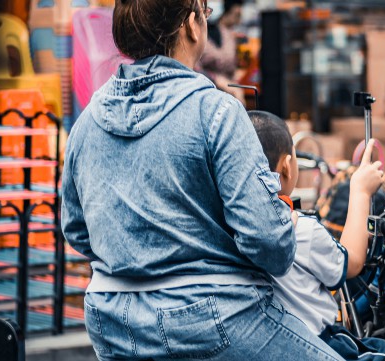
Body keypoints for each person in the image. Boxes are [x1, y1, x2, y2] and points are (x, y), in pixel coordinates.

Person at [61, 1, 347, 360]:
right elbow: (270, 245)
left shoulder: (87, 122)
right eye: (205, 11)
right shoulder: (217, 111)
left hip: (112, 322)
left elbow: (76, 230)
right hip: (215, 320)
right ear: (191, 26)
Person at [248, 110, 385, 361]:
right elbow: (352, 262)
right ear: (287, 167)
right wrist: (360, 190)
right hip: (320, 343)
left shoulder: (229, 229)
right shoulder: (300, 229)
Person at [198, 0, 246, 104]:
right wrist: (217, 80)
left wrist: (236, 87)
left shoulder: (228, 34)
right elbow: (193, 69)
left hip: (230, 97)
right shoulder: (196, 35)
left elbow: (233, 67)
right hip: (205, 95)